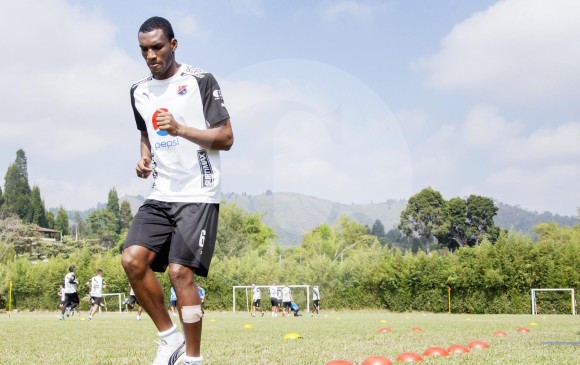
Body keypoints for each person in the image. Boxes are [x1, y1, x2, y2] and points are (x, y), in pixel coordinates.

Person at [121, 16, 233, 365]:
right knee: (132, 260)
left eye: (157, 47)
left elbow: (226, 138)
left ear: (173, 44)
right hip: (160, 193)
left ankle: (193, 359)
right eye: (144, 50)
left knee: (179, 273)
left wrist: (182, 129)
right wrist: (144, 158)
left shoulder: (200, 80)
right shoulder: (137, 91)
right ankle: (169, 339)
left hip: (198, 194)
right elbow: (146, 133)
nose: (151, 55)